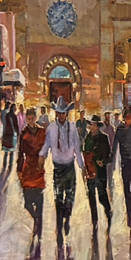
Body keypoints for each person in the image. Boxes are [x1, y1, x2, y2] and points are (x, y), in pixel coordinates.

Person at [15, 106, 48, 242]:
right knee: (27, 203)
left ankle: (38, 227)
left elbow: (46, 147)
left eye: (33, 118)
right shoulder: (24, 134)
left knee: (39, 201)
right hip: (28, 168)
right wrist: (19, 170)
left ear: (36, 118)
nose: (31, 120)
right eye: (28, 119)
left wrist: (43, 156)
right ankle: (35, 219)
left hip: (39, 168)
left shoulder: (42, 132)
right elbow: (20, 153)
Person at [48, 104, 81, 243]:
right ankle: (59, 225)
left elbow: (77, 147)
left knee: (70, 196)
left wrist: (81, 165)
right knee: (58, 196)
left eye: (64, 113)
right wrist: (41, 156)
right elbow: (46, 145)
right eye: (59, 113)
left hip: (70, 166)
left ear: (66, 114)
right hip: (57, 167)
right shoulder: (51, 128)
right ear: (56, 113)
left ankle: (67, 218)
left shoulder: (72, 127)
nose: (62, 116)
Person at [82, 110, 113, 235]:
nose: (92, 127)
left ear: (98, 126)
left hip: (100, 172)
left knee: (101, 195)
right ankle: (94, 220)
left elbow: (109, 155)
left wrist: (103, 161)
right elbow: (85, 153)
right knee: (91, 196)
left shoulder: (104, 138)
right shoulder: (88, 138)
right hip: (90, 171)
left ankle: (108, 212)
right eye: (91, 125)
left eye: (94, 125)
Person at [112, 103, 131, 216]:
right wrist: (112, 158)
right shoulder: (120, 130)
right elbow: (115, 145)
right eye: (127, 118)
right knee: (126, 186)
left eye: (130, 118)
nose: (129, 120)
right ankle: (128, 209)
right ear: (124, 119)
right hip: (125, 162)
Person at [0, 101, 18, 171]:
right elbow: (16, 126)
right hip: (12, 135)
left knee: (6, 151)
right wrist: (18, 134)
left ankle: (4, 165)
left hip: (6, 134)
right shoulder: (14, 116)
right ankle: (10, 166)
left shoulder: (7, 115)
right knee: (12, 151)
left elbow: (5, 123)